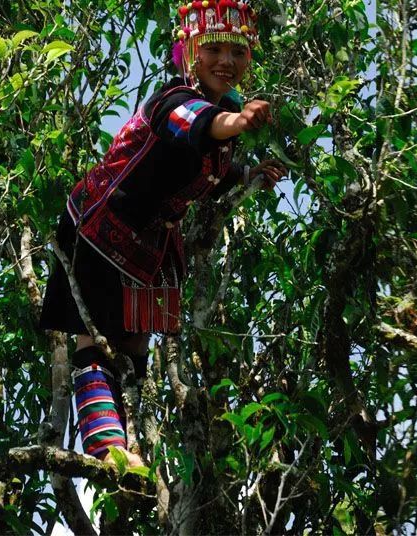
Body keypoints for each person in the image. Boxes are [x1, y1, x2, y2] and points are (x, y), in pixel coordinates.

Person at [39, 0, 286, 468]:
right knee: (96, 338)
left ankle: (127, 441)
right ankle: (105, 447)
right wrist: (239, 120)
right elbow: (200, 127)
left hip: (148, 243)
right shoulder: (174, 101)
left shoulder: (218, 109)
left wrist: (251, 174)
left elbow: (213, 164)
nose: (226, 62)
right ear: (190, 52)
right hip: (99, 229)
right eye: (213, 48)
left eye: (237, 52)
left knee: (134, 343)